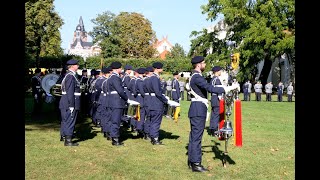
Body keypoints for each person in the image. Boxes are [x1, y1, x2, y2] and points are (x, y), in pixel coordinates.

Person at [187, 56, 237, 172]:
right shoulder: (197, 77)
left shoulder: (195, 76)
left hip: (197, 108)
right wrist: (228, 88)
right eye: (203, 63)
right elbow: (210, 88)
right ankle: (196, 163)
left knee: (195, 137)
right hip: (198, 109)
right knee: (196, 138)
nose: (205, 65)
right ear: (198, 65)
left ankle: (192, 161)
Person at [145, 62, 169, 145]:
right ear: (158, 68)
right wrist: (165, 100)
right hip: (156, 102)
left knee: (152, 120)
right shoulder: (155, 78)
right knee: (156, 121)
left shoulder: (149, 78)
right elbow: (157, 92)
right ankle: (155, 138)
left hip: (150, 101)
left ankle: (151, 135)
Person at [59, 59, 81, 146]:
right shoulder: (71, 76)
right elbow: (70, 92)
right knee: (70, 120)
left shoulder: (68, 75)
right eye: (77, 65)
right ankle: (68, 140)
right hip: (70, 102)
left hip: (65, 101)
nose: (78, 66)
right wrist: (71, 105)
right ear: (72, 66)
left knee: (65, 120)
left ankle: (64, 135)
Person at [106, 61, 128, 146]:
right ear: (118, 68)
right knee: (116, 120)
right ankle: (115, 139)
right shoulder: (115, 77)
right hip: (116, 102)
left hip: (112, 101)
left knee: (113, 120)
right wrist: (126, 98)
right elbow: (120, 90)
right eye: (120, 68)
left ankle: (113, 136)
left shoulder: (111, 77)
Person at [208, 66, 224, 136]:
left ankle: (212, 129)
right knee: (216, 114)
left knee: (213, 114)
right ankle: (214, 130)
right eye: (220, 71)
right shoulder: (216, 80)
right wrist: (221, 98)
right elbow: (218, 90)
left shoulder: (212, 79)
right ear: (217, 71)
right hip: (216, 98)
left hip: (213, 97)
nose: (221, 72)